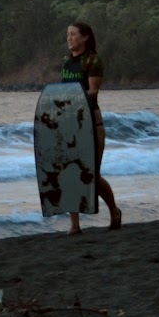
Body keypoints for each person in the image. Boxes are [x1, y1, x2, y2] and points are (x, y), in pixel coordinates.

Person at [61, 22, 122, 234]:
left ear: (85, 37)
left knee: (92, 174)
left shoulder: (92, 60)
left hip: (90, 121)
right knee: (70, 174)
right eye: (68, 35)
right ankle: (74, 226)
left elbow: (93, 91)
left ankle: (114, 211)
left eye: (73, 34)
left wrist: (71, 97)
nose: (69, 38)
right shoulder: (67, 63)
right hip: (69, 122)